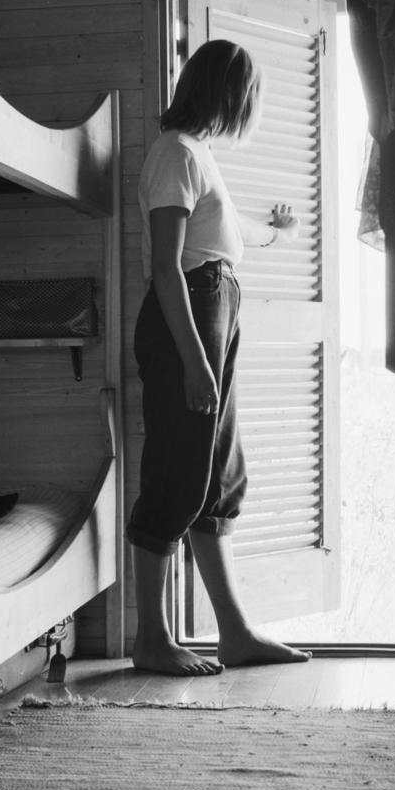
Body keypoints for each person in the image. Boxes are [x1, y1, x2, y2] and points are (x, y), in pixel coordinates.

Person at [126, 38, 313, 676]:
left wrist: (279, 233)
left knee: (217, 477)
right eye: (248, 97)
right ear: (229, 95)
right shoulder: (175, 153)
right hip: (188, 317)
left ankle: (234, 633)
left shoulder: (197, 155)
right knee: (177, 473)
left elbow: (227, 237)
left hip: (216, 310)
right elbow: (166, 267)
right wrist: (194, 362)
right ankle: (152, 639)